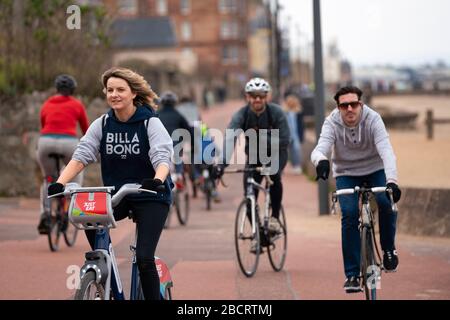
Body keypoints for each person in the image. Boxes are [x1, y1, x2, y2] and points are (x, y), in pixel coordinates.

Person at [47, 67, 174, 300]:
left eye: (120, 90)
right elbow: (81, 155)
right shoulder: (103, 123)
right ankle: (106, 277)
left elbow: (162, 157)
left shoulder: (150, 123)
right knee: (89, 217)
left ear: (133, 93)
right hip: (117, 196)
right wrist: (60, 183)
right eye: (110, 90)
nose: (114, 94)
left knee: (145, 258)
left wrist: (157, 179)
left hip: (150, 195)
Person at [311, 85, 402, 293]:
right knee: (350, 214)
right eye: (344, 105)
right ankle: (352, 274)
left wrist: (392, 181)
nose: (350, 109)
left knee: (385, 202)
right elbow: (320, 148)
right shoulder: (331, 122)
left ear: (361, 104)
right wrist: (321, 161)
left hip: (375, 168)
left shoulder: (373, 119)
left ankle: (388, 249)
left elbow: (387, 151)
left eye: (354, 104)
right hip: (346, 172)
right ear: (338, 107)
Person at [213, 77, 290, 245]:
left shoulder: (276, 113)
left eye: (261, 95)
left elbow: (285, 140)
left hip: (277, 154)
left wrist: (260, 138)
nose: (257, 99)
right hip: (254, 157)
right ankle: (259, 234)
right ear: (247, 97)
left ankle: (275, 218)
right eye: (253, 96)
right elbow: (229, 138)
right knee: (249, 197)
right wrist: (221, 163)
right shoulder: (241, 115)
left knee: (274, 177)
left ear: (267, 97)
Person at [36, 74, 89, 234]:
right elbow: (86, 130)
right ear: (72, 90)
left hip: (45, 142)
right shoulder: (77, 104)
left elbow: (43, 124)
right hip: (69, 143)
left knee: (48, 179)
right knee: (75, 175)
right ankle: (68, 212)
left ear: (56, 89)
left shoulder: (47, 103)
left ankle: (46, 212)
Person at [158, 91, 193, 177]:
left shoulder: (157, 115)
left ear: (162, 102)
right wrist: (193, 143)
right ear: (174, 103)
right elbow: (188, 130)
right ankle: (179, 174)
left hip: (160, 143)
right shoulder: (178, 114)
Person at [283, 94, 303, 174]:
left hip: (295, 136)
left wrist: (301, 136)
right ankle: (282, 167)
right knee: (283, 152)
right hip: (286, 135)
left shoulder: (298, 113)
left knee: (296, 151)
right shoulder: (284, 112)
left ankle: (296, 166)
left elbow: (301, 126)